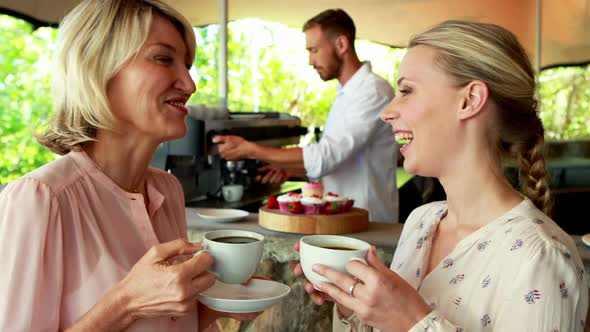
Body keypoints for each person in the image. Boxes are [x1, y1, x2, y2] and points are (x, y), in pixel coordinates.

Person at [295, 20, 589, 331]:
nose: (387, 111)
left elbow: (408, 324)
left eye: (407, 90)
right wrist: (354, 306)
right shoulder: (421, 222)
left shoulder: (542, 257)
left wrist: (411, 322)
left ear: (470, 100)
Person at [0, 1, 260, 331]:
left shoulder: (167, 190)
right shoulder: (41, 198)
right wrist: (126, 303)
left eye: (188, 65)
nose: (189, 84)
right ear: (98, 67)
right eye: (164, 59)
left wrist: (216, 307)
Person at [213, 9, 399, 223]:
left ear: (341, 44)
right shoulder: (347, 93)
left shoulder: (372, 91)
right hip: (344, 219)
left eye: (315, 50)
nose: (311, 61)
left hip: (369, 220)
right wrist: (288, 167)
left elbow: (326, 156)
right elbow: (338, 160)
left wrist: (250, 149)